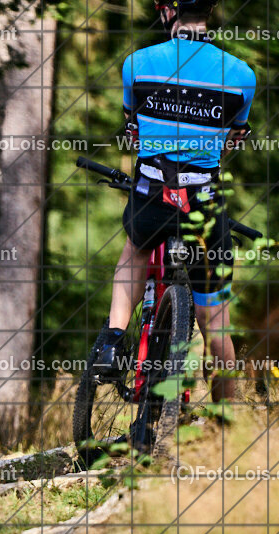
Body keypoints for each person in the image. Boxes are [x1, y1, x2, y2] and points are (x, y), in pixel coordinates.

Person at [95, 0, 256, 409]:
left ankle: (112, 341)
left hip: (152, 194)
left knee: (133, 251)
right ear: (212, 10)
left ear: (167, 10)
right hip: (202, 203)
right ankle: (225, 422)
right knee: (216, 324)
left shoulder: (137, 63)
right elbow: (231, 141)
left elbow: (133, 129)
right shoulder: (242, 76)